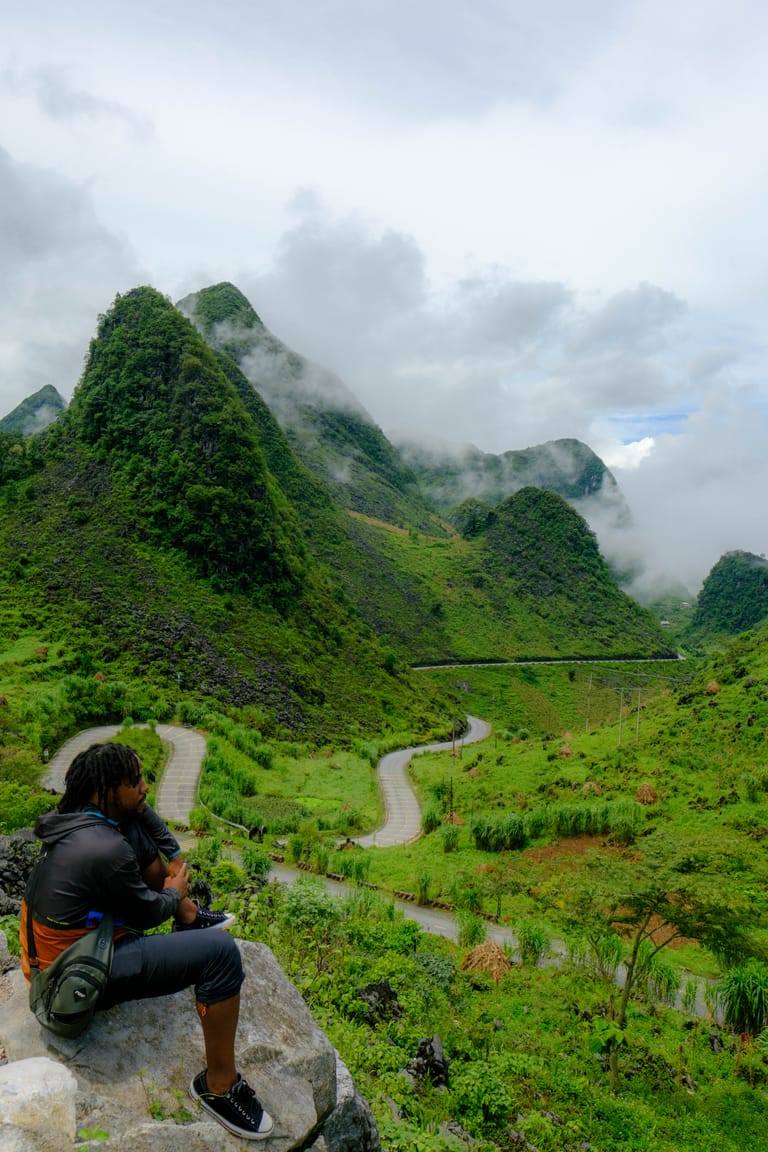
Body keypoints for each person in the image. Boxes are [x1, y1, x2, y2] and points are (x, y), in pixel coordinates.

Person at [20, 742, 273, 1141]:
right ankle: (217, 1086)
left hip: (73, 954)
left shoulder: (83, 820)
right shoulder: (104, 848)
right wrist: (174, 894)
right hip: (68, 988)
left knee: (134, 827)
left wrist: (166, 849)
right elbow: (148, 913)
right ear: (103, 789)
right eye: (135, 781)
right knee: (222, 955)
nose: (145, 787)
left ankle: (191, 920)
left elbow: (141, 825)